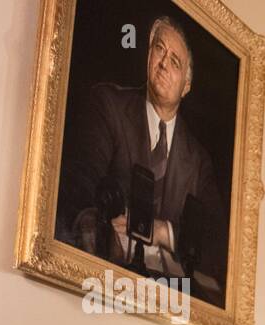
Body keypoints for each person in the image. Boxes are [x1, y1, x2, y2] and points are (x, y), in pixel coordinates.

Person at [57, 16, 226, 289]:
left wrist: (164, 232)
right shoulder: (108, 106)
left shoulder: (198, 161)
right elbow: (76, 189)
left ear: (186, 86)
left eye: (175, 62)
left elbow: (218, 244)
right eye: (160, 49)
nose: (163, 63)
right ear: (148, 55)